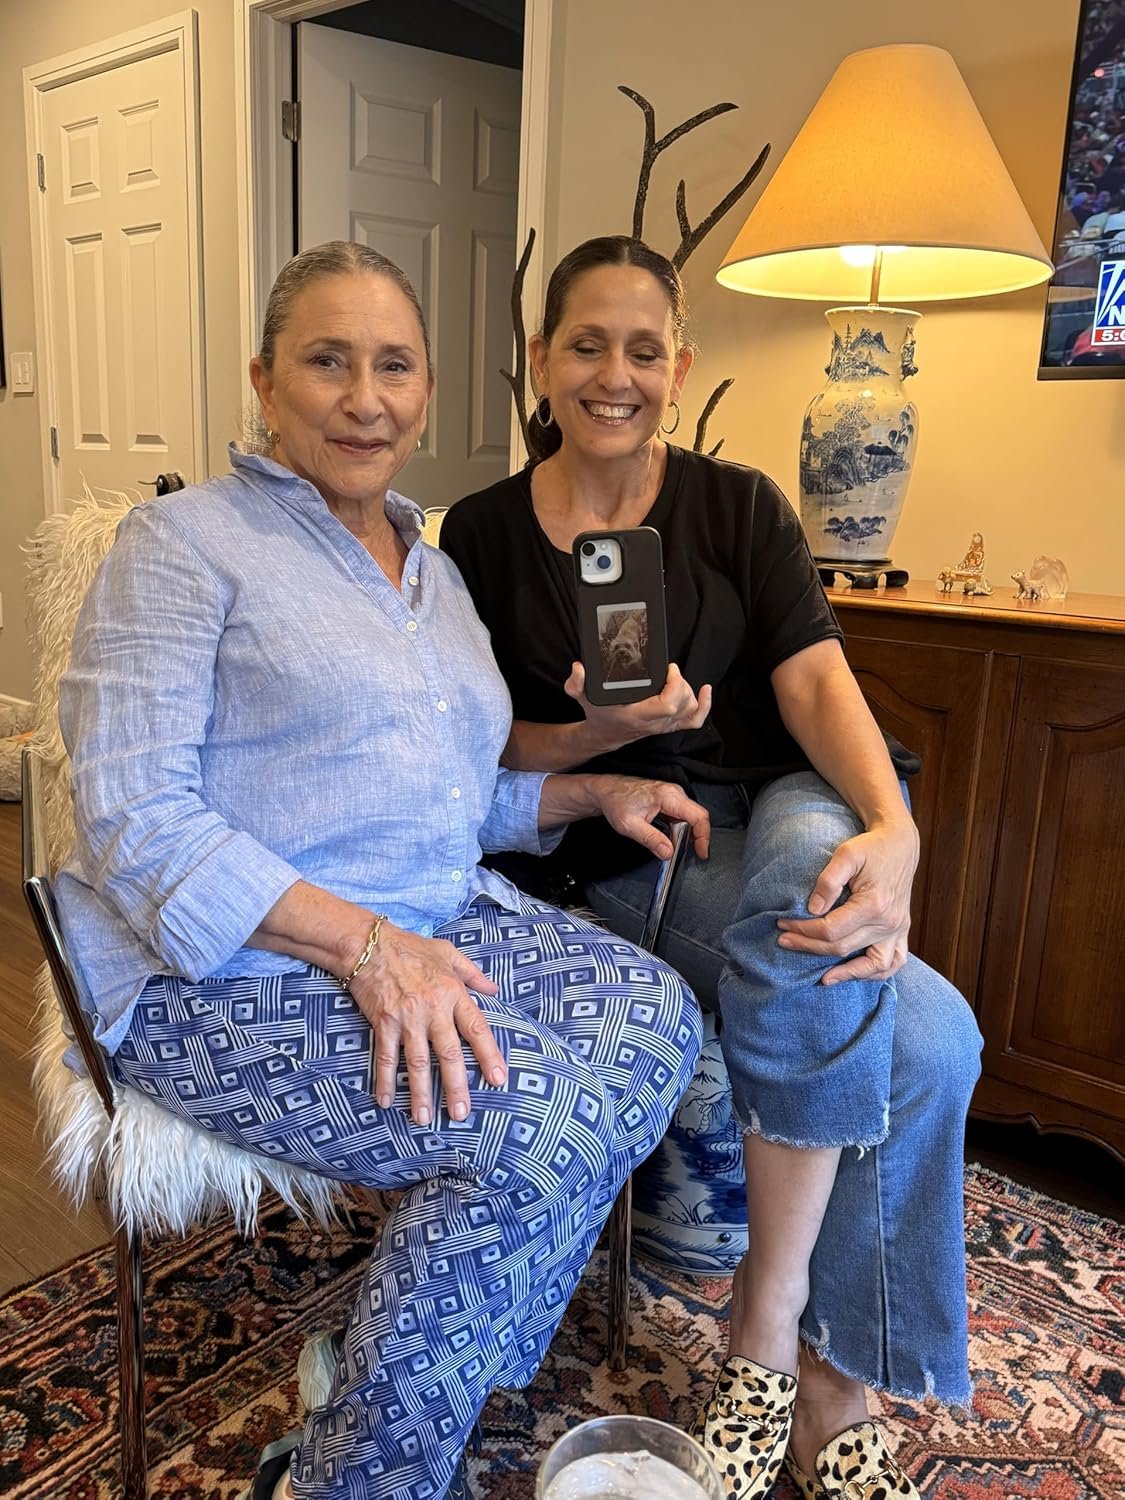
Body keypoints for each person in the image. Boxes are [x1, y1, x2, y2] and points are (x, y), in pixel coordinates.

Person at [54, 240, 709, 1500]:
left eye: (394, 367)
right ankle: (356, 1475)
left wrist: (593, 789)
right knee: (528, 1123)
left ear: (427, 390)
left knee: (657, 1018)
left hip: (428, 913)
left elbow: (446, 801)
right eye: (328, 362)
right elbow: (132, 816)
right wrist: (362, 947)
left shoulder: (436, 569)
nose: (366, 399)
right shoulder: (180, 546)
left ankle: (402, 1362)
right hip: (217, 970)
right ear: (265, 381)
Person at [440, 235, 984, 1500]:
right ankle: (829, 1380)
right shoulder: (482, 533)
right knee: (936, 1038)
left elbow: (815, 681)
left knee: (812, 890)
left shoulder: (740, 507)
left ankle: (767, 1333)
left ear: (678, 368)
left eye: (644, 350)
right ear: (542, 358)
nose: (614, 375)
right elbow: (475, 750)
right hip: (631, 844)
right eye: (587, 345)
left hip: (784, 809)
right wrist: (602, 733)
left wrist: (896, 832)